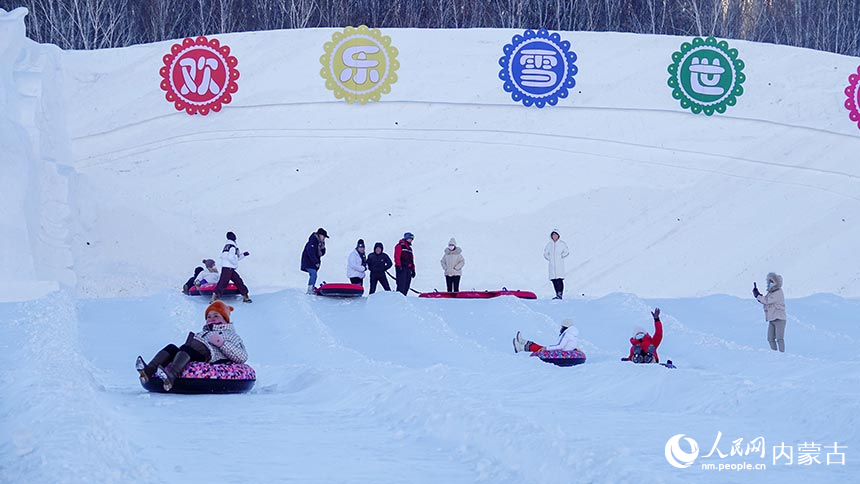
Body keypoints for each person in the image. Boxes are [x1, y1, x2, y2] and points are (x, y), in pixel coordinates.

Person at [135, 301, 248, 392]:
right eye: (208, 316)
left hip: (211, 356)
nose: (211, 318)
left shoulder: (231, 335)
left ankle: (171, 376)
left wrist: (222, 343)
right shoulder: (203, 332)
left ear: (225, 319)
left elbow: (242, 357)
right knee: (172, 348)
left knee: (187, 348)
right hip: (194, 352)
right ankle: (148, 371)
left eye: (216, 315)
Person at [213, 231, 252, 303]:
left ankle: (245, 296)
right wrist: (234, 264)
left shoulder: (227, 246)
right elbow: (231, 258)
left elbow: (234, 257)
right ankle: (214, 298)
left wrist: (243, 255)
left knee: (237, 280)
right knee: (224, 282)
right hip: (229, 268)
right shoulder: (232, 247)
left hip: (227, 267)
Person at [754, 272, 786, 352]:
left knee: (779, 338)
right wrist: (759, 295)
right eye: (769, 281)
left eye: (772, 281)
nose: (770, 283)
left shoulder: (778, 292)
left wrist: (757, 295)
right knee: (770, 338)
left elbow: (767, 301)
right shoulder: (771, 292)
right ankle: (774, 353)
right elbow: (765, 300)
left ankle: (782, 354)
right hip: (772, 319)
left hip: (779, 319)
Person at [513, 319, 580, 353]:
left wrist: (547, 348)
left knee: (540, 348)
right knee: (541, 347)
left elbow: (560, 346)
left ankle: (521, 347)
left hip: (561, 352)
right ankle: (523, 342)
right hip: (563, 351)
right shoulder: (573, 334)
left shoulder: (568, 335)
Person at [544, 229, 569, 299]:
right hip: (552, 265)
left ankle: (560, 294)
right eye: (553, 235)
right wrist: (550, 258)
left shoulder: (562, 244)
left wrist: (561, 256)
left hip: (559, 265)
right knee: (554, 280)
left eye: (556, 235)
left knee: (559, 280)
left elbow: (566, 251)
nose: (554, 236)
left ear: (558, 236)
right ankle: (557, 293)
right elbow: (545, 253)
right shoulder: (549, 245)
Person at [301, 228, 328, 294]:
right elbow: (311, 252)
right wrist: (316, 262)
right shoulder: (313, 241)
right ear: (320, 235)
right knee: (313, 274)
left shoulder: (319, 243)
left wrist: (323, 247)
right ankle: (310, 289)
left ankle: (311, 288)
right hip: (308, 262)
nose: (324, 238)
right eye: (323, 236)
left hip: (312, 262)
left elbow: (322, 253)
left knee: (314, 274)